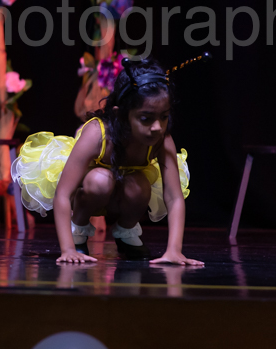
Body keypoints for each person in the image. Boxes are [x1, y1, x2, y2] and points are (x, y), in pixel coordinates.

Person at [12, 57, 200, 265]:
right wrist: (67, 249)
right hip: (90, 191)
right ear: (121, 115)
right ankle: (78, 231)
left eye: (163, 117)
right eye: (146, 118)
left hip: (126, 194)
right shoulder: (98, 133)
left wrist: (174, 250)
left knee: (140, 185)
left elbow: (174, 197)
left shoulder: (161, 140)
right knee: (101, 180)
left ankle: (126, 232)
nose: (157, 127)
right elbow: (63, 194)